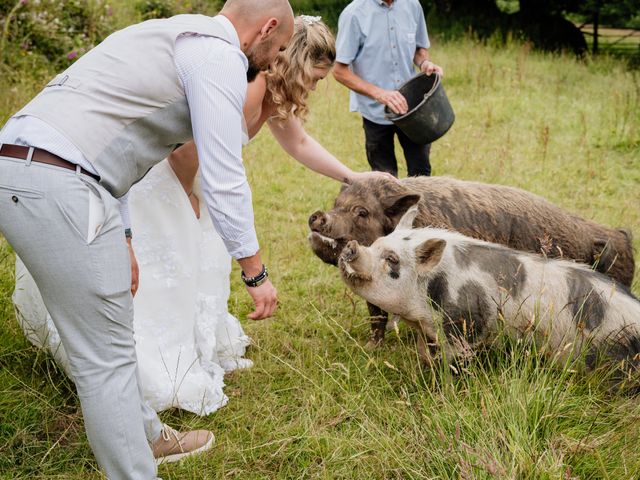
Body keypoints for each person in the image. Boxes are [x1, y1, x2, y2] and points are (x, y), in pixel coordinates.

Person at [12, 14, 394, 421]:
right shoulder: (246, 86)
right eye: (316, 77)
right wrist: (189, 201)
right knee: (166, 265)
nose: (317, 86)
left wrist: (353, 177)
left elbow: (298, 143)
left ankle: (186, 347)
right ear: (296, 62)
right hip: (172, 181)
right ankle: (150, 366)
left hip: (202, 184)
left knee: (198, 268)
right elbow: (184, 150)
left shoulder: (273, 96)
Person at [0, 1, 294, 478]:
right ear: (267, 28)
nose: (275, 60)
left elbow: (104, 147)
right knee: (105, 359)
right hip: (59, 184)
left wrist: (126, 237)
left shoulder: (168, 34)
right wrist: (254, 270)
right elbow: (222, 173)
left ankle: (150, 437)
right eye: (278, 49)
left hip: (27, 167)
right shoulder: (218, 56)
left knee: (106, 339)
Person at [333, 0, 444, 178]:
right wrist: (380, 94)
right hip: (375, 112)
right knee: (384, 178)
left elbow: (419, 48)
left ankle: (419, 207)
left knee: (421, 173)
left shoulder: (413, 5)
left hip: (412, 108)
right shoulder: (353, 14)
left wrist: (425, 63)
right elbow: (339, 71)